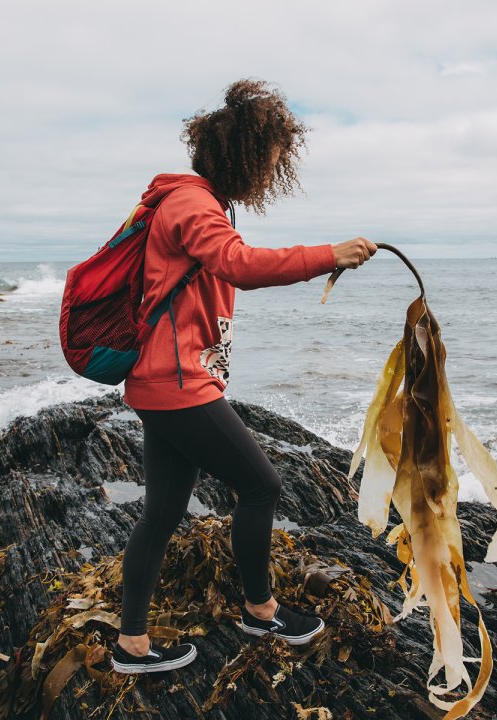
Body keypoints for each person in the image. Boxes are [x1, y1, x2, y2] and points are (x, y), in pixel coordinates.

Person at [110, 78, 378, 674]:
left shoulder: (189, 201)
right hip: (176, 384)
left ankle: (132, 646)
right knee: (262, 487)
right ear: (245, 156)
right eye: (272, 163)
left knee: (162, 512)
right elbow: (240, 264)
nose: (270, 177)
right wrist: (327, 255)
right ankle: (260, 611)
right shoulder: (191, 204)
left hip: (163, 381)